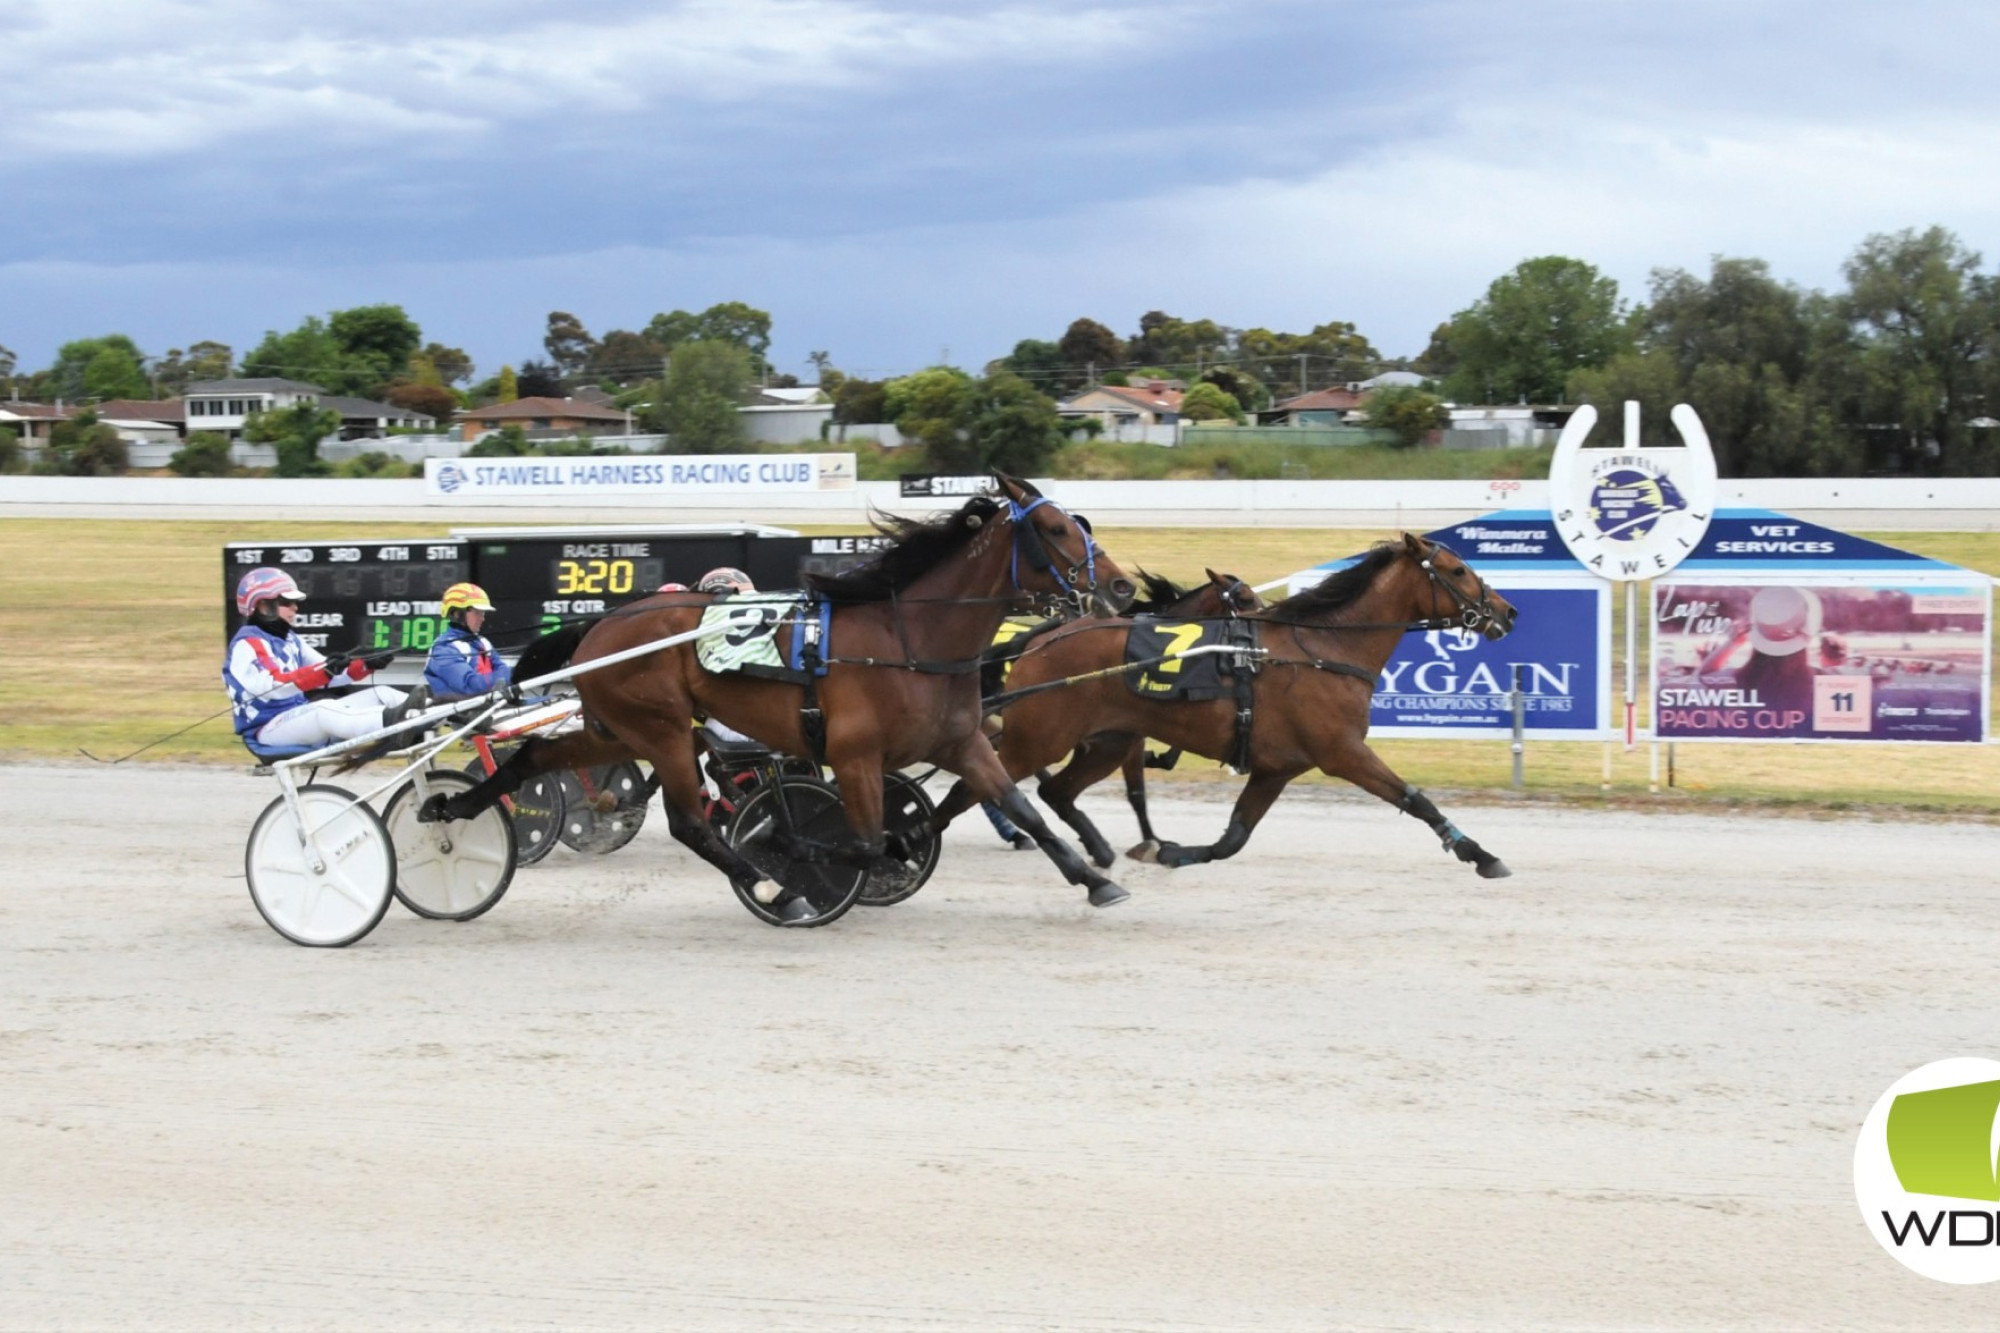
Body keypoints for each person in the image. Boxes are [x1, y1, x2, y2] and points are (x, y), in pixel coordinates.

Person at [225, 567, 421, 751]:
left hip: (294, 720)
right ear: (263, 606)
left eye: (295, 603)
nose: (295, 608)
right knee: (323, 708)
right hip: (267, 730)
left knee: (381, 694)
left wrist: (365, 665)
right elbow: (272, 685)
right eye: (286, 602)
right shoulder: (247, 644)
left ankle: (437, 711)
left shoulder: (291, 639)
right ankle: (392, 723)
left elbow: (329, 673)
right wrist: (325, 671)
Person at [424, 582, 512, 701]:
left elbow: (502, 670)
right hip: (458, 715)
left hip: (488, 709)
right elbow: (470, 686)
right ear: (456, 614)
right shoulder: (444, 648)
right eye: (477, 613)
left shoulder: (483, 642)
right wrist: (518, 673)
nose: (483, 618)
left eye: (483, 613)